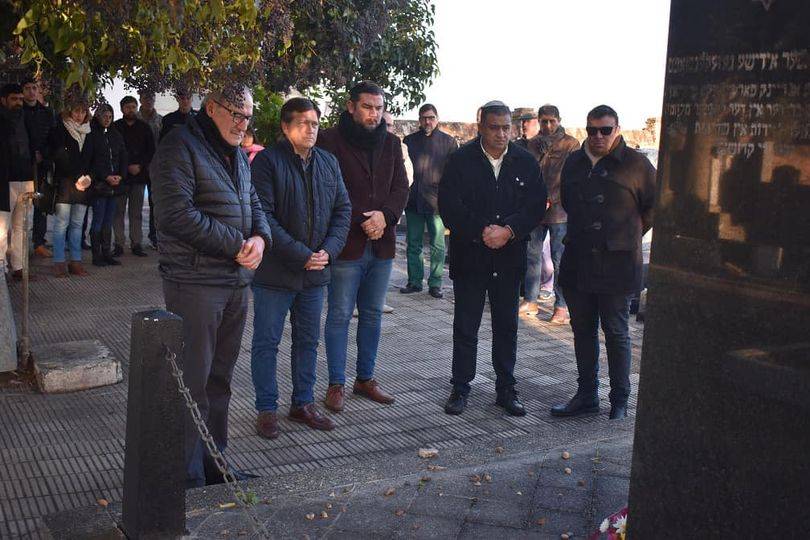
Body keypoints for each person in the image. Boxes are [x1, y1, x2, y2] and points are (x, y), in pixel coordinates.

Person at [151, 85, 271, 487]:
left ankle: (213, 465)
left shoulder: (235, 152)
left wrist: (260, 239)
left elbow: (253, 202)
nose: (242, 124)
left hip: (234, 282)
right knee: (193, 384)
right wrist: (237, 245)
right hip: (194, 281)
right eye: (236, 114)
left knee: (219, 382)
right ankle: (186, 478)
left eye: (247, 116)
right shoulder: (178, 146)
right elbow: (175, 215)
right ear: (211, 108)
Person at [250, 97, 351, 438]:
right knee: (267, 342)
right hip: (275, 273)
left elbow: (343, 210)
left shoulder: (328, 162)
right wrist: (301, 254)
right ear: (285, 126)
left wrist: (328, 252)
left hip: (315, 272)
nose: (311, 130)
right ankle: (266, 409)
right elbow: (262, 215)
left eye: (315, 124)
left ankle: (302, 403)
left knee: (307, 341)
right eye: (304, 123)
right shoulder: (267, 162)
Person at [438, 101, 546, 417]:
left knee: (506, 327)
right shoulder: (460, 160)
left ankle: (506, 389)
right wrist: (482, 232)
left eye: (506, 128)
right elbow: (449, 205)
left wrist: (509, 231)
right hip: (470, 257)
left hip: (509, 259)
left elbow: (536, 205)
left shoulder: (525, 161)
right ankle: (460, 387)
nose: (501, 134)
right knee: (466, 326)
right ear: (480, 127)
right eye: (494, 127)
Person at [550, 105, 656, 421]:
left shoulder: (636, 164)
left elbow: (653, 208)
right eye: (592, 130)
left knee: (616, 331)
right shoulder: (574, 162)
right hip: (579, 260)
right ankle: (586, 395)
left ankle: (620, 399)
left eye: (605, 130)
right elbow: (569, 202)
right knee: (582, 330)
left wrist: (626, 235)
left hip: (617, 263)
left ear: (617, 130)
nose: (598, 136)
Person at [316, 81, 409, 413]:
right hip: (346, 244)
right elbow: (326, 190)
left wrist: (385, 216)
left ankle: (365, 378)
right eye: (368, 107)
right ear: (351, 106)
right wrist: (363, 219)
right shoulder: (328, 141)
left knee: (372, 315)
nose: (374, 114)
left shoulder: (392, 143)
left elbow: (401, 188)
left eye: (379, 108)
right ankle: (336, 383)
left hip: (381, 245)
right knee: (340, 315)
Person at [523, 104, 581, 322]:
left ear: (558, 120)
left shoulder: (571, 144)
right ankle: (530, 299)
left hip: (559, 211)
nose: (547, 125)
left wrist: (552, 199)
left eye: (551, 121)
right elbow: (528, 175)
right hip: (536, 210)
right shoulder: (532, 144)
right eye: (543, 121)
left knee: (559, 259)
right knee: (532, 256)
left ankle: (561, 305)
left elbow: (572, 177)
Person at [400, 104, 458, 299]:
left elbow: (453, 175)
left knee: (438, 245)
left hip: (437, 202)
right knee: (413, 244)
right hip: (413, 200)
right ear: (419, 120)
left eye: (431, 117)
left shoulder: (449, 142)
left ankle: (435, 283)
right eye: (424, 118)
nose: (428, 121)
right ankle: (414, 281)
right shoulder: (409, 141)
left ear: (437, 119)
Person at [49, 96, 94, 277]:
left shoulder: (89, 131)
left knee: (77, 224)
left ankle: (76, 261)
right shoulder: (60, 130)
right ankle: (59, 262)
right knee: (61, 224)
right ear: (69, 111)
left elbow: (93, 157)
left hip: (84, 185)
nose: (79, 115)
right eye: (76, 111)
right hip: (65, 184)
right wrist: (78, 177)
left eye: (83, 111)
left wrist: (89, 178)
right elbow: (60, 156)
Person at [0, 83, 34, 280]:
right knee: (2, 228)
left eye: (21, 99)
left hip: (26, 178)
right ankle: (1, 268)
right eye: (14, 99)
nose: (19, 103)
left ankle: (19, 267)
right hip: (5, 181)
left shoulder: (26, 118)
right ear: (3, 100)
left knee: (22, 225)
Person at [113, 96, 154, 257]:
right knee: (118, 212)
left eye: (133, 107)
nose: (131, 110)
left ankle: (136, 243)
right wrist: (126, 167)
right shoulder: (115, 127)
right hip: (121, 177)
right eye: (128, 107)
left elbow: (150, 151)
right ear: (122, 109)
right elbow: (114, 151)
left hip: (139, 176)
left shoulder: (145, 128)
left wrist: (140, 166)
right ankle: (118, 244)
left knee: (136, 213)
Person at [88, 104, 127, 266]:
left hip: (114, 185)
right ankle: (96, 255)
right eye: (104, 116)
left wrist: (120, 175)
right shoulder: (92, 135)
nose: (107, 119)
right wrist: (105, 176)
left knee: (109, 220)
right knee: (98, 220)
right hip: (99, 185)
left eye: (110, 117)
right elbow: (91, 160)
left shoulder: (116, 135)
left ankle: (106, 252)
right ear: (98, 117)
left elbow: (123, 156)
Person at [22, 78, 55, 258]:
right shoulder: (17, 111)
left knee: (41, 204)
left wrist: (44, 154)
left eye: (34, 88)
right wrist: (29, 153)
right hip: (21, 166)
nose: (31, 91)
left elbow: (53, 138)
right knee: (21, 205)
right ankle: (18, 244)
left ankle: (39, 242)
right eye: (27, 88)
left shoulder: (47, 113)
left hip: (42, 165)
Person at [137, 90, 162, 249]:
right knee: (136, 205)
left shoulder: (160, 120)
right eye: (146, 98)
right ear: (140, 99)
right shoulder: (134, 118)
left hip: (155, 167)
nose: (149, 101)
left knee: (155, 204)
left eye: (151, 98)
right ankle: (136, 240)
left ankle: (154, 237)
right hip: (137, 167)